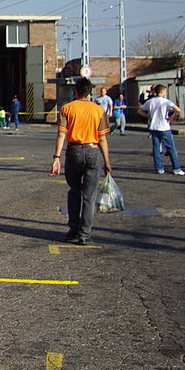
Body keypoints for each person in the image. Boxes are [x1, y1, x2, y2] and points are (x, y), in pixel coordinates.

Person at [49, 77, 111, 246]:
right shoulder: (98, 110)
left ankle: (73, 228)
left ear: (75, 91)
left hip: (74, 151)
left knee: (74, 190)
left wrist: (56, 158)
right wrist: (107, 161)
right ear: (90, 92)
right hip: (93, 151)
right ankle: (84, 234)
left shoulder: (67, 108)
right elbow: (103, 138)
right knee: (89, 195)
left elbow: (61, 134)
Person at [138, 84, 185, 176]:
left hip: (154, 127)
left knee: (156, 148)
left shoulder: (150, 101)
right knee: (171, 148)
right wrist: (172, 117)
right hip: (164, 127)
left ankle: (159, 168)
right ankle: (176, 168)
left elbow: (140, 110)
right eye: (165, 91)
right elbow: (178, 110)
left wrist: (148, 116)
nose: (166, 92)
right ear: (161, 92)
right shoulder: (165, 101)